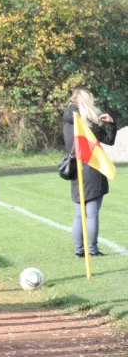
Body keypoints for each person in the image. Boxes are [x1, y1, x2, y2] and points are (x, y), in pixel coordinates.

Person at [63, 89, 117, 258]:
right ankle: (92, 249)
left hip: (76, 171)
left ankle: (80, 250)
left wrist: (109, 124)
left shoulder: (67, 122)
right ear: (86, 104)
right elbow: (109, 140)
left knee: (80, 213)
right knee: (92, 213)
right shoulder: (86, 124)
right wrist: (111, 124)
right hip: (92, 169)